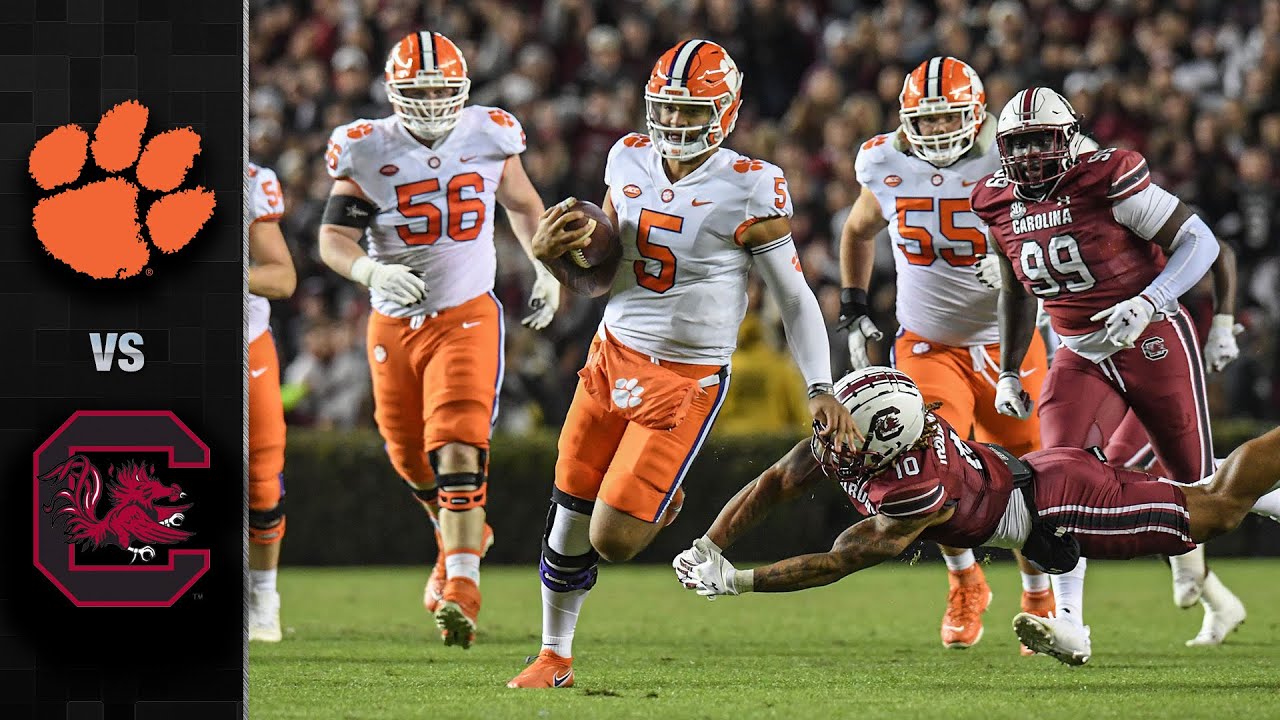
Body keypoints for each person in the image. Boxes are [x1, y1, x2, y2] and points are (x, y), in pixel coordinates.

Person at [506, 39, 855, 689]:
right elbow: (601, 276)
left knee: (614, 539)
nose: (675, 125)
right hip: (611, 355)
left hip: (685, 378)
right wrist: (558, 258)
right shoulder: (627, 157)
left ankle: (657, 499)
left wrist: (819, 387)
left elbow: (794, 297)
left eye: (692, 112)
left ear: (727, 112)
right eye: (666, 109)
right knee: (568, 509)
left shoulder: (750, 186)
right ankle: (554, 655)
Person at [673, 367, 1280, 666]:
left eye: (853, 440)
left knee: (1215, 511)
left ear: (891, 442)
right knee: (1197, 493)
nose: (836, 446)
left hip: (1060, 502)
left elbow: (841, 559)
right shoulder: (870, 431)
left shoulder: (917, 488)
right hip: (1041, 486)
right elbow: (778, 480)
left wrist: (739, 582)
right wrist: (710, 545)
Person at [970, 87, 1242, 659]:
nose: (1027, 155)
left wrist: (1149, 300)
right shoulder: (993, 199)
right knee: (1054, 487)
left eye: (1039, 140)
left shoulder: (1106, 176)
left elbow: (1202, 241)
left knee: (1199, 492)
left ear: (1067, 138)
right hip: (1077, 352)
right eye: (1016, 144)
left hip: (1148, 339)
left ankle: (1213, 575)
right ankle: (1070, 623)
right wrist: (1010, 371)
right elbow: (1018, 290)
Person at [317, 31, 562, 649]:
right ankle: (464, 535)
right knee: (406, 454)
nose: (430, 101)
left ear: (463, 91)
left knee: (457, 440)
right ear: (394, 92)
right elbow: (333, 240)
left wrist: (545, 268)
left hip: (466, 312)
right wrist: (371, 270)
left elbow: (526, 206)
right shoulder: (367, 148)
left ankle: (461, 587)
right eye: (418, 90)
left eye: (441, 89)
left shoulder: (489, 135)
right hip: (392, 321)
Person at [838, 56, 1050, 653]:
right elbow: (858, 230)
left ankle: (1036, 590)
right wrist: (853, 306)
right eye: (924, 122)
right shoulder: (882, 160)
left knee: (1025, 469)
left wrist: (1014, 259)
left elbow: (1059, 229)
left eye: (947, 119)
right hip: (927, 342)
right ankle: (965, 582)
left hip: (1005, 340)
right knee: (929, 470)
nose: (935, 133)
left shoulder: (1008, 156)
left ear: (976, 114)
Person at [1100, 241, 1247, 646]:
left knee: (1116, 475)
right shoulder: (1058, 218)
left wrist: (1223, 321)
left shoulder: (1138, 208)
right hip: (1107, 365)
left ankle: (1192, 563)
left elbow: (1219, 250)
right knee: (1172, 484)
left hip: (1160, 361)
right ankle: (1214, 595)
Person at [246, 162, 298, 642]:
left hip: (244, 346)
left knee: (262, 485)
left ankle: (263, 597)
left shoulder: (248, 181)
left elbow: (282, 279)